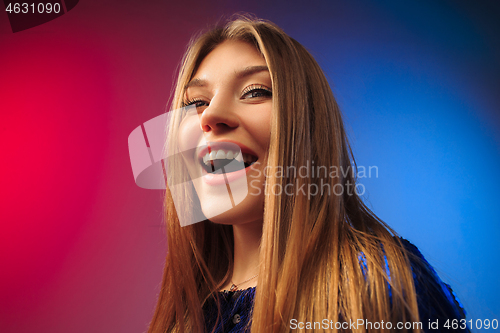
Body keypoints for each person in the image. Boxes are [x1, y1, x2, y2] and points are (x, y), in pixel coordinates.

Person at [148, 15, 469, 333]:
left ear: (309, 128)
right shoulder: (185, 316)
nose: (211, 115)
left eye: (254, 91)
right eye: (197, 101)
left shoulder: (383, 282)